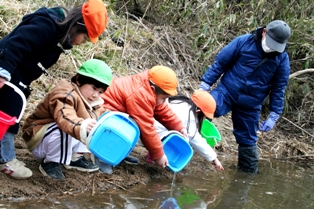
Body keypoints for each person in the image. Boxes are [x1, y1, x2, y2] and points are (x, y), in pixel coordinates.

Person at [0, 0, 108, 179]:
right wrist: (3, 72)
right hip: (7, 69)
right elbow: (15, 44)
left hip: (18, 76)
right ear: (77, 26)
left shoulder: (57, 39)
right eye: (85, 37)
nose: (83, 42)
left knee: (13, 107)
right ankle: (6, 158)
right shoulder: (46, 26)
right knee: (11, 108)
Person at [199, 20, 291, 173]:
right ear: (264, 32)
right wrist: (205, 84)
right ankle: (181, 142)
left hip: (251, 104)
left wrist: (275, 113)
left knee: (248, 140)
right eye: (271, 43)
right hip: (227, 92)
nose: (272, 48)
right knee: (201, 109)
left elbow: (278, 88)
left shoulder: (282, 59)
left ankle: (246, 177)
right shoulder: (243, 42)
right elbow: (220, 63)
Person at [21, 59, 112, 180]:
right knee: (69, 126)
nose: (96, 95)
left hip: (56, 139)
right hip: (39, 137)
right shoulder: (65, 93)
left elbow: (101, 114)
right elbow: (64, 117)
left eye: (100, 92)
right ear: (79, 80)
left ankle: (75, 158)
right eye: (94, 88)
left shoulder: (91, 101)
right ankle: (50, 162)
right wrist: (83, 125)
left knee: (94, 125)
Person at [99, 65, 188, 174]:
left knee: (132, 126)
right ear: (154, 89)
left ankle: (119, 153)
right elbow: (146, 128)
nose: (164, 102)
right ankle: (102, 158)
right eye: (164, 98)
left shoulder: (150, 86)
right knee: (132, 127)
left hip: (114, 112)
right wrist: (158, 155)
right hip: (102, 111)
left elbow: (161, 109)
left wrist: (178, 127)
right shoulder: (140, 95)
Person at [153, 90, 224, 171]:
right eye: (204, 117)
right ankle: (155, 155)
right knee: (182, 138)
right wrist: (214, 158)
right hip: (153, 134)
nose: (204, 119)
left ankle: (154, 152)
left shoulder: (179, 101)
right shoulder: (190, 119)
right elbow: (198, 142)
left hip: (150, 126)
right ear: (198, 112)